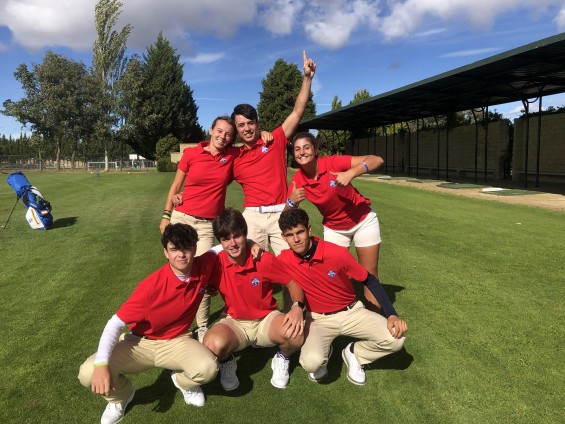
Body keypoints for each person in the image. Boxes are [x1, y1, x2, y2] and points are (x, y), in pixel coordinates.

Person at [78, 224, 219, 424]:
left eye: (186, 248)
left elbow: (219, 249)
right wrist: (101, 364)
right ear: (165, 252)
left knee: (208, 369)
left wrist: (250, 243)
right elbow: (114, 324)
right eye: (174, 249)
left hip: (177, 341)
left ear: (195, 248)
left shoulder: (202, 265)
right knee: (88, 372)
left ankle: (184, 383)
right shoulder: (150, 287)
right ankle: (122, 396)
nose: (181, 255)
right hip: (139, 343)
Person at [277, 208, 407, 385]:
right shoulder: (283, 259)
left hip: (352, 312)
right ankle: (326, 351)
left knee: (396, 340)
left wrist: (391, 313)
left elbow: (370, 280)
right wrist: (252, 245)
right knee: (311, 364)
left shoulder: (336, 253)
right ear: (284, 238)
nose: (296, 239)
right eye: (290, 235)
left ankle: (355, 352)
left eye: (300, 232)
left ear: (309, 230)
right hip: (317, 319)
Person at [202, 208, 305, 390]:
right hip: (235, 321)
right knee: (211, 345)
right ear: (220, 241)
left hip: (266, 319)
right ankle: (227, 361)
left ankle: (282, 357)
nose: (232, 243)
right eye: (226, 239)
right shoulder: (215, 263)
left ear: (245, 234)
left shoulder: (263, 258)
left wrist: (297, 307)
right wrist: (208, 288)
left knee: (295, 335)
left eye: (238, 236)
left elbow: (292, 283)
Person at [159, 116, 238, 342]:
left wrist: (263, 134)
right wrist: (166, 214)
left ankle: (202, 325)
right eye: (219, 131)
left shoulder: (232, 157)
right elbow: (176, 186)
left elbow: (253, 150)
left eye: (228, 134)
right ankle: (176, 323)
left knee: (201, 275)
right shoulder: (192, 154)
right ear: (211, 130)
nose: (222, 137)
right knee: (177, 273)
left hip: (206, 225)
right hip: (181, 217)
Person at [286, 131, 385, 312]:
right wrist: (291, 201)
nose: (302, 152)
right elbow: (285, 219)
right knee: (329, 275)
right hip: (334, 228)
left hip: (363, 220)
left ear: (315, 150)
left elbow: (376, 159)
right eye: (297, 149)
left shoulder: (332, 163)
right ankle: (335, 319)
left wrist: (352, 173)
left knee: (369, 274)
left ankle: (376, 321)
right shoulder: (298, 180)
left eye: (306, 147)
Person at [231, 50, 316, 257]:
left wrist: (306, 78)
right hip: (252, 216)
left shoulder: (275, 140)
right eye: (241, 125)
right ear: (236, 128)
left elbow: (297, 112)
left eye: (250, 123)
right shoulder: (233, 156)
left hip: (282, 212)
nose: (247, 128)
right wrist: (181, 196)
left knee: (292, 265)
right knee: (253, 267)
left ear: (257, 124)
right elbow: (210, 179)